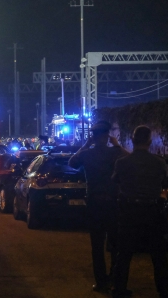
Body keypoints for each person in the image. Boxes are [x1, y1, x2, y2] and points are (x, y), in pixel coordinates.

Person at [111, 125, 168, 298]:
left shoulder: (122, 163)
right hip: (152, 211)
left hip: (129, 211)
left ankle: (119, 289)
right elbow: (164, 183)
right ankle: (165, 291)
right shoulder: (159, 162)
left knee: (124, 254)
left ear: (132, 140)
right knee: (158, 254)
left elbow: (116, 181)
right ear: (149, 141)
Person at [68, 120, 129, 293]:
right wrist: (117, 145)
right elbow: (130, 158)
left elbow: (71, 163)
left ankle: (101, 282)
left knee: (97, 245)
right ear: (107, 135)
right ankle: (116, 280)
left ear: (93, 136)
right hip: (113, 202)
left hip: (94, 203)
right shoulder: (115, 153)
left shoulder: (87, 154)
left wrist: (85, 145)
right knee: (116, 244)